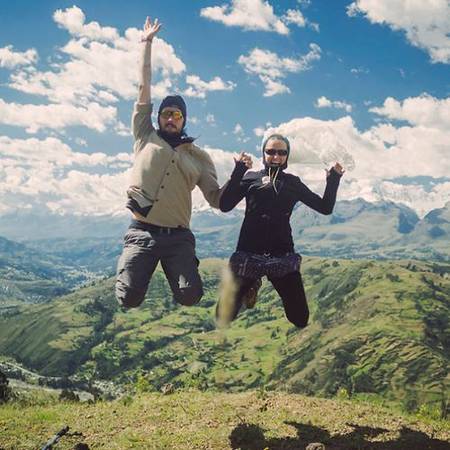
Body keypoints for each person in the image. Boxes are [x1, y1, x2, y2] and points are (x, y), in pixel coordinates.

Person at [115, 17, 252, 309]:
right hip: (141, 232)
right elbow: (144, 85)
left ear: (184, 120)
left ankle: (179, 267)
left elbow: (219, 200)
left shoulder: (199, 157)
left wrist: (239, 172)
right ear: (158, 116)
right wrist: (146, 43)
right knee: (128, 299)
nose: (170, 118)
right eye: (166, 113)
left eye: (177, 115)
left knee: (190, 297)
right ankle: (135, 268)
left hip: (178, 237)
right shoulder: (145, 135)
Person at [216, 133, 344, 328]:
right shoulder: (251, 178)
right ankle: (252, 282)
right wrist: (238, 171)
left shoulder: (293, 183)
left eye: (281, 153)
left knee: (299, 319)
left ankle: (254, 281)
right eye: (271, 152)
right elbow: (224, 205)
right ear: (263, 153)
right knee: (223, 316)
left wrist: (333, 178)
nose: (276, 157)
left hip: (282, 256)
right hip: (248, 255)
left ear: (287, 156)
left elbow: (325, 208)